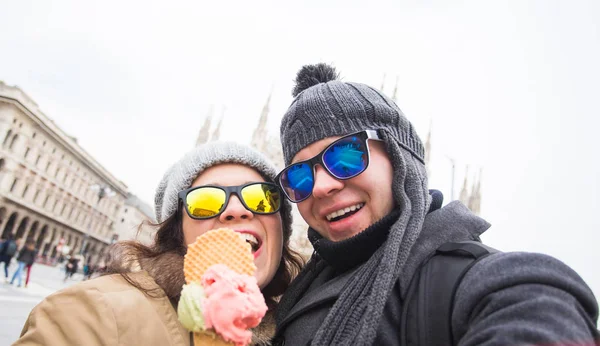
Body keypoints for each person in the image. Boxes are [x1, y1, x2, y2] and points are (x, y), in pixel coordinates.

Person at [272, 63, 599, 345]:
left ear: (401, 157)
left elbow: (533, 311)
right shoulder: (294, 289)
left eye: (346, 155)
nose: (322, 187)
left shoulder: (467, 280)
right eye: (300, 176)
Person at [14, 141, 303, 346]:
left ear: (281, 227)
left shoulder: (296, 325)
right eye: (205, 201)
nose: (237, 210)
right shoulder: (97, 313)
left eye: (261, 197)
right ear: (177, 232)